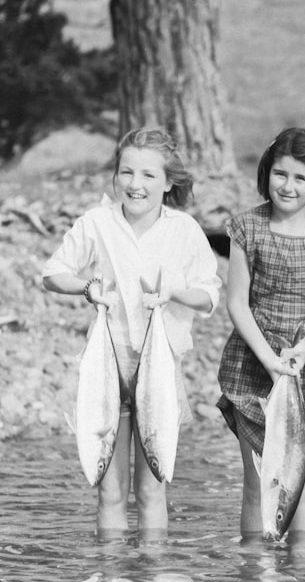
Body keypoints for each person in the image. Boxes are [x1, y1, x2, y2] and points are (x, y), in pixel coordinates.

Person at [42, 127, 221, 541]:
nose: (135, 185)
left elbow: (209, 292)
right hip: (108, 363)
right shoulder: (96, 222)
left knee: (152, 486)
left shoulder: (184, 230)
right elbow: (54, 273)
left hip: (160, 364)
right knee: (110, 489)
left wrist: (174, 292)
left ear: (169, 181)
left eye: (148, 175)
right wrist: (88, 289)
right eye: (126, 173)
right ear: (116, 175)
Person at [216, 128, 305, 543]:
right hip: (255, 361)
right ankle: (256, 576)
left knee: (302, 480)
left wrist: (303, 349)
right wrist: (269, 358)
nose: (288, 186)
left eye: (301, 178)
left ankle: (304, 571)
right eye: (280, 174)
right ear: (267, 172)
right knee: (258, 478)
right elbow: (237, 302)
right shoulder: (246, 226)